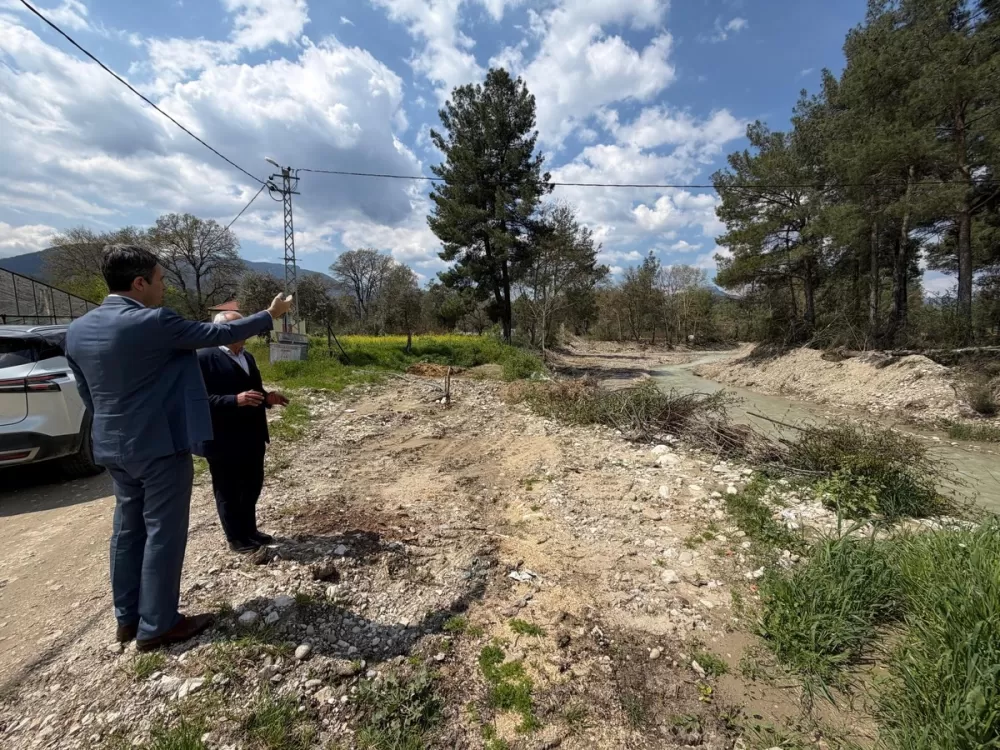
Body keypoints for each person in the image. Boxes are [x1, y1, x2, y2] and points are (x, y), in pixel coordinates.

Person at [65, 245, 293, 652]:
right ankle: (159, 624)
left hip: (114, 447)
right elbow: (220, 334)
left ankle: (128, 617)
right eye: (160, 279)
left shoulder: (78, 330)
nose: (163, 288)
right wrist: (270, 315)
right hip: (159, 446)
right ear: (139, 283)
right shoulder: (153, 321)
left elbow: (89, 395)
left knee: (127, 530)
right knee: (163, 534)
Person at [197, 312, 289, 553]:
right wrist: (233, 400)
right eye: (239, 326)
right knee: (228, 488)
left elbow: (253, 391)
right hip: (222, 438)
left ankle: (250, 530)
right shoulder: (203, 357)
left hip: (252, 434)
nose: (246, 330)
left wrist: (268, 398)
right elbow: (196, 400)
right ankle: (236, 538)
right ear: (223, 330)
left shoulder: (246, 356)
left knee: (252, 484)